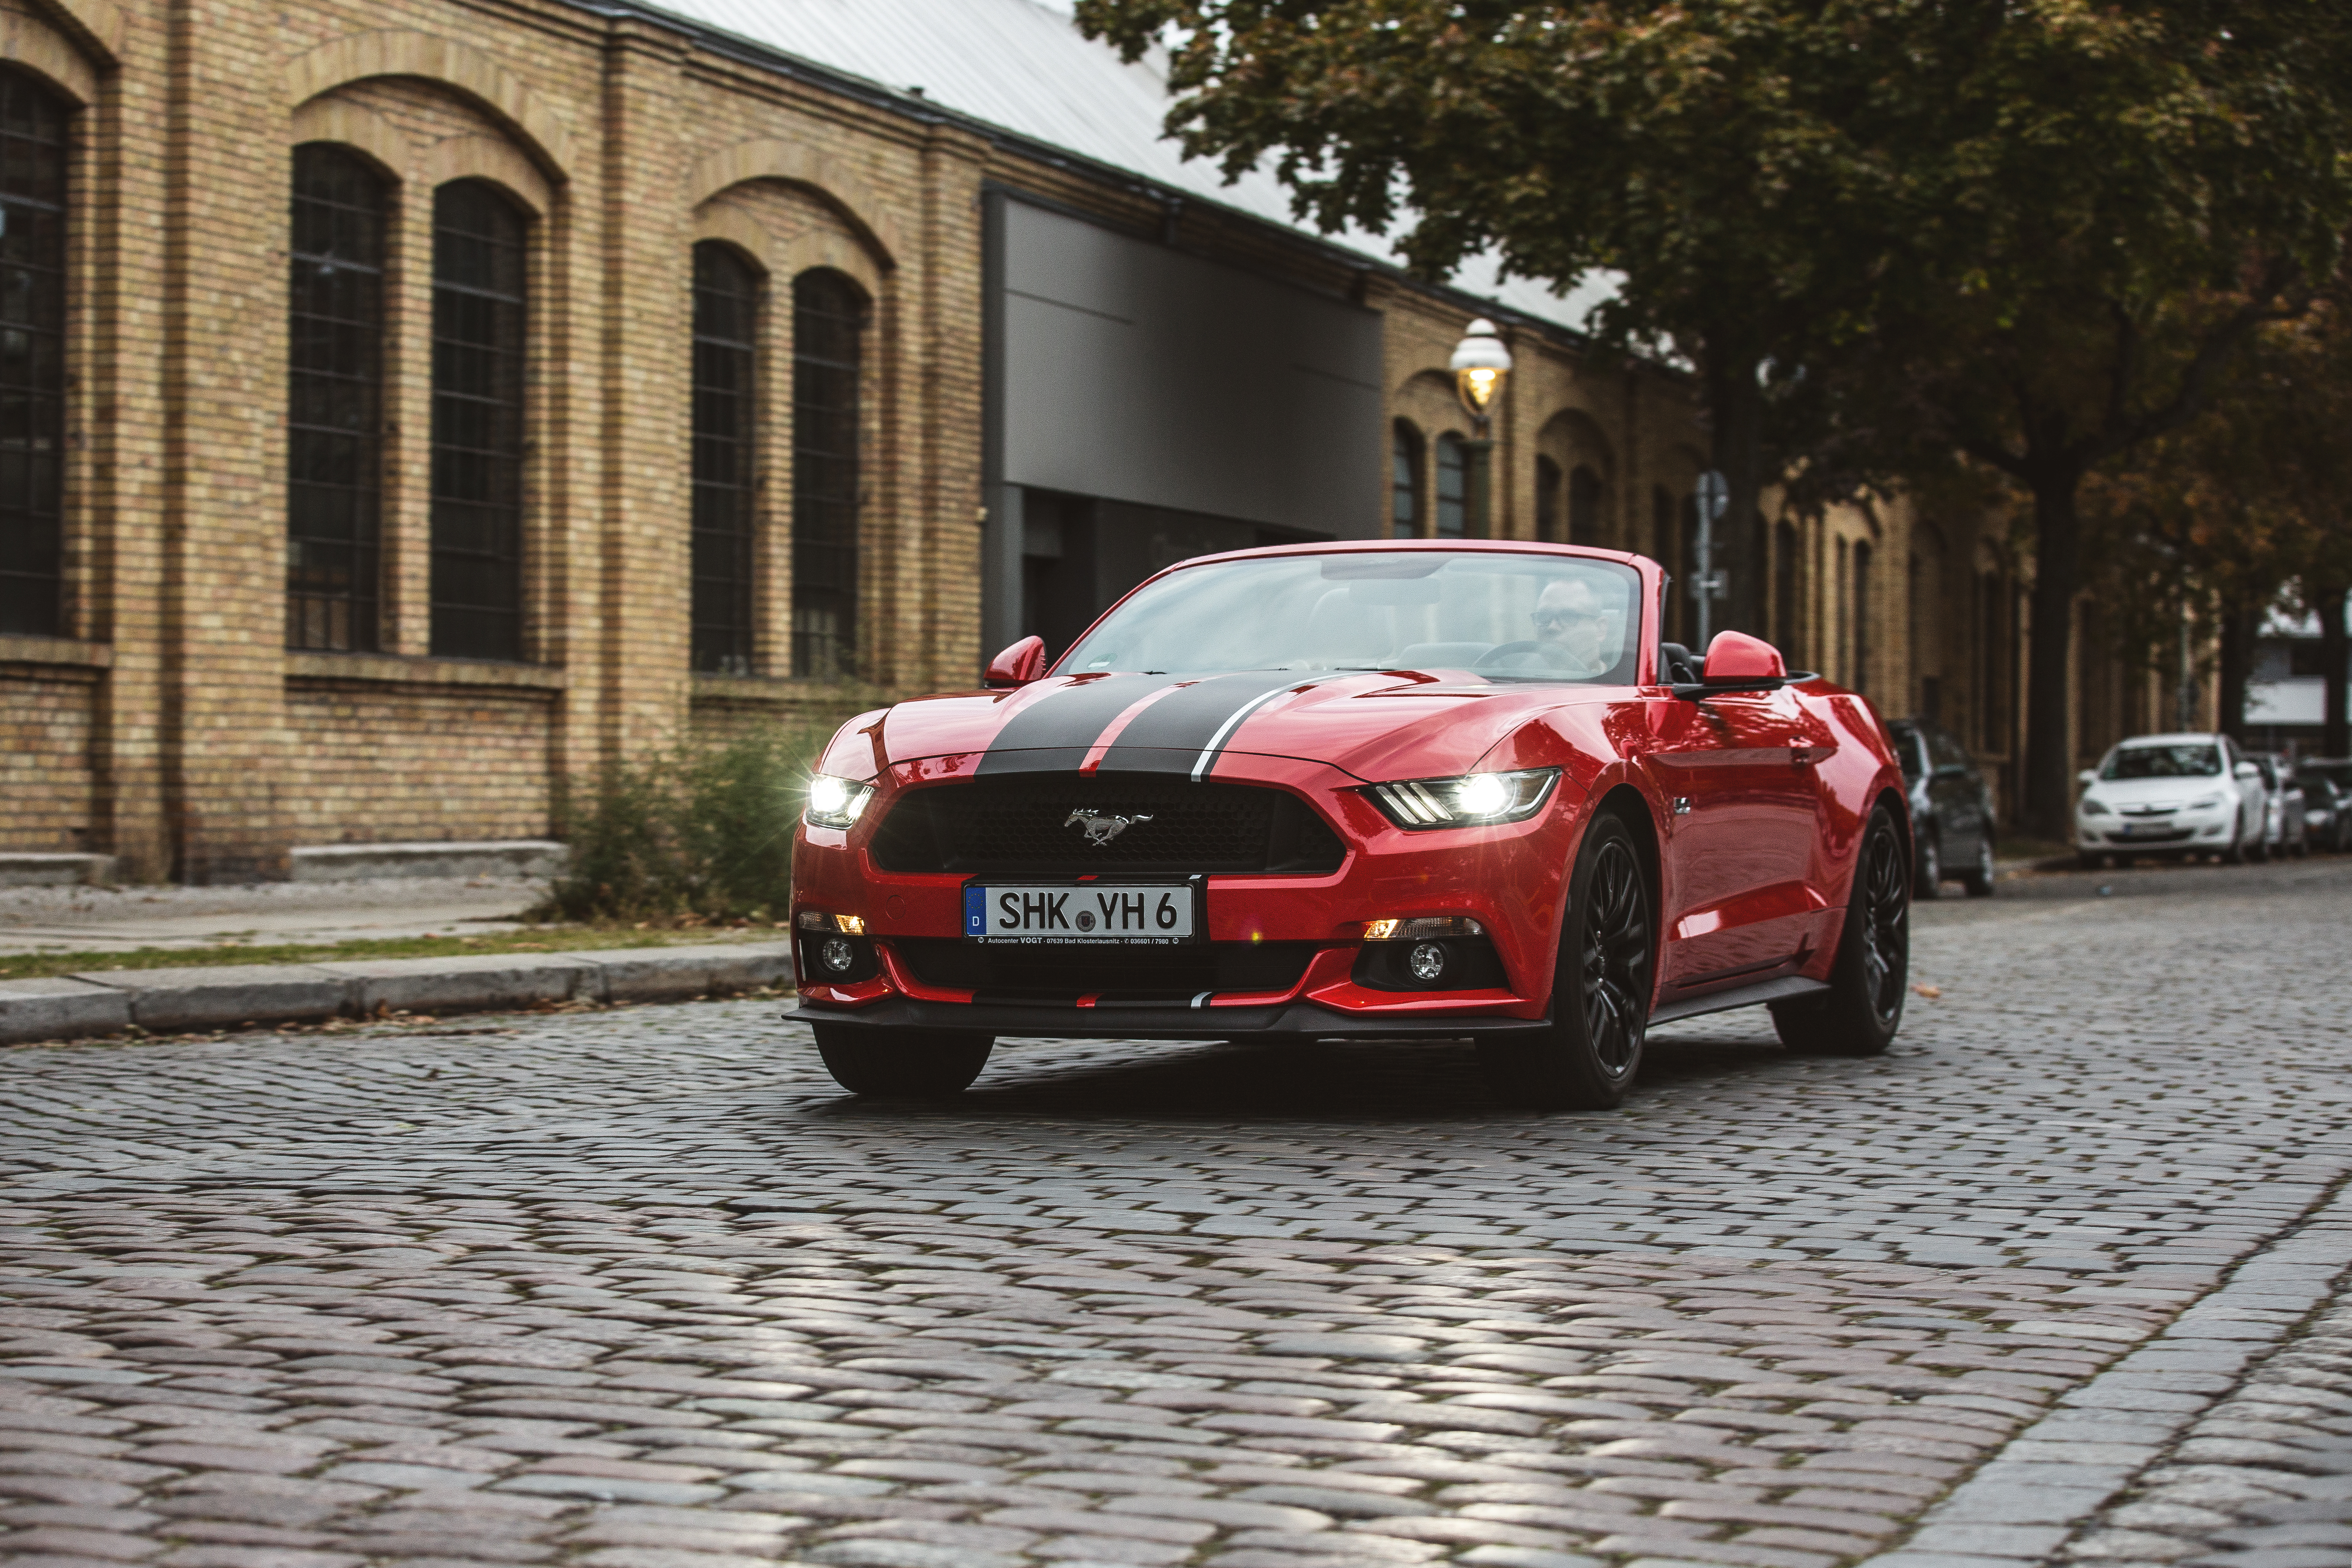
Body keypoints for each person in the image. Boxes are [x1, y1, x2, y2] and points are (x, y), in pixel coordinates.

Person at [1517, 575, 1614, 675]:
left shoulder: (1619, 682)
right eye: (1544, 616)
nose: (1552, 627)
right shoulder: (1518, 675)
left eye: (1568, 616)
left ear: (1600, 629)